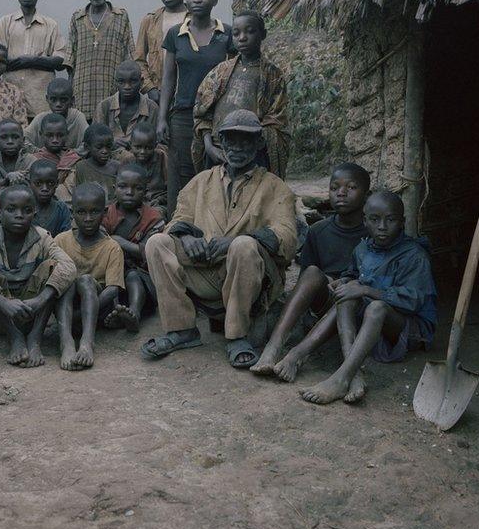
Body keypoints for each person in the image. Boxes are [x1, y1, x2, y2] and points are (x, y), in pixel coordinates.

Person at [142, 110, 297, 368]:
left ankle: (237, 335)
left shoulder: (275, 186)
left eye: (245, 141)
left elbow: (287, 237)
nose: (237, 148)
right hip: (206, 273)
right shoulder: (201, 181)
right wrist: (185, 237)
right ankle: (182, 330)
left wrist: (239, 239)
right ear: (221, 143)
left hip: (251, 279)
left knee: (244, 245)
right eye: (230, 140)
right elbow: (179, 219)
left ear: (259, 143)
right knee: (157, 242)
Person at [298, 191, 437, 406]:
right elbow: (353, 274)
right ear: (365, 221)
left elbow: (413, 302)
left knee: (376, 307)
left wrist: (366, 291)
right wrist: (344, 282)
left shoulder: (414, 255)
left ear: (402, 222)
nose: (382, 226)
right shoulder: (363, 248)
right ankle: (350, 370)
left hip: (409, 329)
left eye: (390, 220)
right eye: (375, 219)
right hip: (375, 325)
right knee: (348, 294)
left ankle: (342, 377)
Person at [251, 162, 370, 377]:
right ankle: (274, 346)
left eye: (351, 188)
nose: (341, 193)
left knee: (349, 296)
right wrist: (329, 281)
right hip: (327, 299)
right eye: (334, 188)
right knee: (314, 272)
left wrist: (351, 283)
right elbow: (307, 279)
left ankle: (297, 356)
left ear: (366, 194)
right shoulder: (318, 230)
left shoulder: (374, 233)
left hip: (359, 304)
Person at [0, 183, 77, 368]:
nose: (19, 215)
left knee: (54, 268)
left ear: (34, 215)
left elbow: (69, 266)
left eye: (26, 210)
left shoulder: (42, 237)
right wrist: (3, 302)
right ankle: (15, 337)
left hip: (32, 313)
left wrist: (40, 300)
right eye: (11, 209)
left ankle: (35, 339)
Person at [156, 0, 231, 212]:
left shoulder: (227, 34)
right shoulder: (175, 34)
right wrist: (161, 118)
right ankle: (179, 226)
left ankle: (212, 224)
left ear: (215, 0)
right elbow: (168, 79)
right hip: (183, 115)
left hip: (218, 116)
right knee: (182, 172)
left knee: (214, 170)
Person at [193, 11, 290, 177]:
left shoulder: (272, 75)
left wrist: (250, 145)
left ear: (263, 34)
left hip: (253, 154)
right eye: (236, 33)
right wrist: (209, 146)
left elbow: (276, 120)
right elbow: (202, 112)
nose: (242, 38)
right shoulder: (220, 72)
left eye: (250, 31)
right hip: (217, 149)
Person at [54, 183, 126, 370]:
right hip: (65, 309)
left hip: (95, 311)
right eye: (81, 212)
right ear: (72, 212)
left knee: (85, 280)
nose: (87, 219)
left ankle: (87, 342)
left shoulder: (111, 247)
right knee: (67, 279)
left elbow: (112, 289)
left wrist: (83, 313)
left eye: (94, 212)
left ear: (104, 213)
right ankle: (66, 342)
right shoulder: (61, 241)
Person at [0, 0, 70, 120]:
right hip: (10, 97)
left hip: (40, 101)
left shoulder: (51, 25)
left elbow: (61, 61)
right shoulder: (5, 23)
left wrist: (32, 60)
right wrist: (44, 61)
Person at [101, 163, 164, 333]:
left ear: (145, 191)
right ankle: (116, 314)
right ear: (114, 188)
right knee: (111, 281)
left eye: (137, 188)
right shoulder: (105, 213)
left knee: (133, 276)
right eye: (123, 186)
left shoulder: (153, 217)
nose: (129, 192)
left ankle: (134, 313)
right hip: (109, 276)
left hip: (142, 279)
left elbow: (151, 251)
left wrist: (121, 242)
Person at [68, 0, 134, 118]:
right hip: (82, 93)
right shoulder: (77, 18)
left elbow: (129, 57)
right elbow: (70, 61)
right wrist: (70, 93)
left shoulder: (121, 16)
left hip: (111, 89)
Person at [134, 0, 188, 100]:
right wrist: (149, 88)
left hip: (188, 90)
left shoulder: (195, 18)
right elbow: (138, 59)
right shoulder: (150, 20)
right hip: (158, 92)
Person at [93, 60, 158, 154]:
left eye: (133, 81)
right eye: (121, 82)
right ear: (116, 83)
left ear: (141, 82)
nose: (127, 87)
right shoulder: (104, 107)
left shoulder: (152, 108)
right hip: (108, 161)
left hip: (141, 161)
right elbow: (94, 140)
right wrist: (110, 144)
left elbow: (156, 142)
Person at [23, 77, 88, 151]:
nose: (58, 104)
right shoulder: (41, 118)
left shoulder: (77, 117)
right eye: (53, 99)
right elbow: (23, 139)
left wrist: (72, 153)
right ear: (47, 99)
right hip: (43, 160)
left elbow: (90, 142)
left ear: (72, 100)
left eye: (63, 100)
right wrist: (38, 152)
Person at [64, 123, 121, 203]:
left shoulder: (117, 167)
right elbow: (78, 192)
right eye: (99, 147)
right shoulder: (81, 167)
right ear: (87, 147)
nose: (104, 151)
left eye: (108, 147)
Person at [32, 113, 81, 199]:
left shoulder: (74, 160)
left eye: (60, 135)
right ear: (41, 134)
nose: (55, 140)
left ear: (67, 134)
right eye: (50, 135)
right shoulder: (34, 160)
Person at [129, 121, 168, 217]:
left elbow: (171, 187)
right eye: (138, 147)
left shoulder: (162, 157)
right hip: (134, 202)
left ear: (155, 145)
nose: (142, 152)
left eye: (148, 148)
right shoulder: (128, 161)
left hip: (158, 203)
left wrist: (159, 200)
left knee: (156, 215)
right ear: (131, 145)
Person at [27, 159, 73, 236]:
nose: (45, 188)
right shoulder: (23, 208)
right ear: (29, 183)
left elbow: (65, 238)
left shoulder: (61, 209)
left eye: (50, 183)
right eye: (38, 183)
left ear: (57, 183)